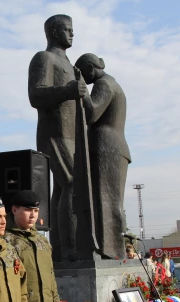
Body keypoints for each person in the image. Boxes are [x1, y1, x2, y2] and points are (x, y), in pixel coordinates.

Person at [28, 14, 93, 261]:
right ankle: (70, 247)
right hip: (55, 133)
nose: (72, 34)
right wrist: (67, 89)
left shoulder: (68, 64)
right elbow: (35, 95)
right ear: (54, 32)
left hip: (73, 134)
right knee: (72, 185)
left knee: (64, 189)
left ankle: (61, 246)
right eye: (68, 29)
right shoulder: (44, 58)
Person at [74, 53, 131, 260]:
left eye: (82, 72)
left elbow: (92, 113)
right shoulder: (113, 84)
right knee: (109, 202)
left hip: (106, 148)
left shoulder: (104, 84)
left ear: (90, 68)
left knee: (105, 202)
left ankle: (110, 250)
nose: (83, 77)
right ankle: (113, 249)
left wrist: (81, 91)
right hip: (113, 147)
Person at [4, 190, 65, 302]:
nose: (33, 215)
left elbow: (51, 280)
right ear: (14, 210)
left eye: (36, 211)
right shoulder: (6, 241)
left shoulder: (42, 241)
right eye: (27, 210)